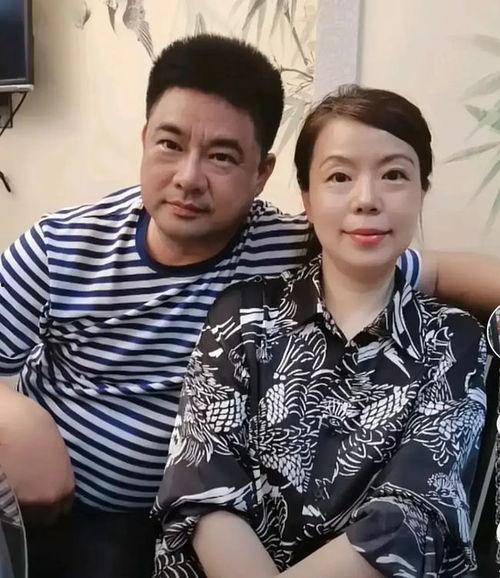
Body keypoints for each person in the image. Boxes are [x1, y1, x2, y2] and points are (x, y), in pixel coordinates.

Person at [0, 34, 497, 577]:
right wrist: (17, 417)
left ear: (262, 173)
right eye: (169, 144)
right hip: (54, 505)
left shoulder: (300, 245)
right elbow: (205, 479)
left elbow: (430, 270)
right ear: (144, 141)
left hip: (162, 534)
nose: (188, 178)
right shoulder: (61, 246)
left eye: (221, 156)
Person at [153, 86, 487, 578]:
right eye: (339, 176)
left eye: (394, 175)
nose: (367, 199)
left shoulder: (455, 342)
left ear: (422, 192)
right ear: (307, 199)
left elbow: (411, 517)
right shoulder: (242, 316)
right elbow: (204, 488)